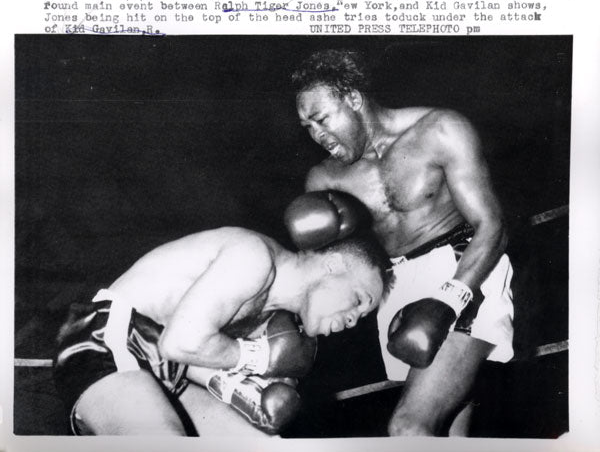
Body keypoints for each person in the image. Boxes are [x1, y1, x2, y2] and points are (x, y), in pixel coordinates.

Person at [291, 49, 515, 436]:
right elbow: (329, 270)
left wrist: (449, 299)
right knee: (443, 432)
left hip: (464, 270)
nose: (317, 135)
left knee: (408, 428)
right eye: (307, 126)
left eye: (321, 119)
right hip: (394, 288)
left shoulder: (440, 129)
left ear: (354, 100)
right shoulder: (325, 179)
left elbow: (493, 225)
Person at [53, 225, 391, 436]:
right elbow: (180, 341)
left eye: (362, 317)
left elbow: (195, 358)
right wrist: (254, 358)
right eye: (359, 300)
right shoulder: (254, 257)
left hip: (168, 372)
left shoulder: (273, 319)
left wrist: (245, 391)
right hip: (109, 339)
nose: (353, 319)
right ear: (333, 265)